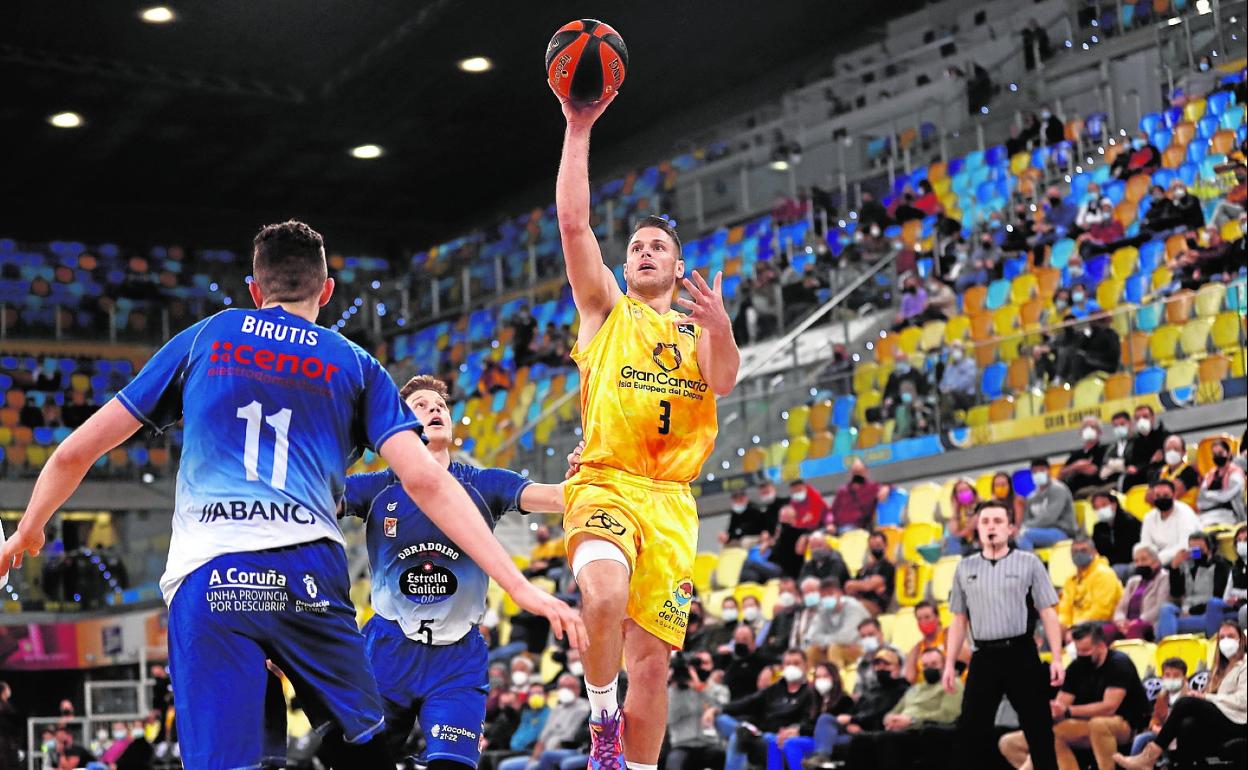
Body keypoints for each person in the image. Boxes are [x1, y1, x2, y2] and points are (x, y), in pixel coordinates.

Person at [0, 221, 581, 770]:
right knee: (366, 750)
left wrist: (30, 528)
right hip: (307, 576)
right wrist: (520, 585)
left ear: (255, 289)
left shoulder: (207, 336)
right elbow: (427, 481)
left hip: (210, 579)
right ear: (326, 291)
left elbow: (74, 452)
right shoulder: (355, 363)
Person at [552, 87, 740, 770]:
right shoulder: (605, 309)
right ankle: (603, 716)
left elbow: (723, 380)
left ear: (679, 265)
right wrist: (579, 127)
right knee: (601, 595)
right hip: (605, 480)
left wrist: (721, 328)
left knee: (655, 668)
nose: (645, 251)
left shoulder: (699, 331)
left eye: (659, 245)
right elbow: (575, 227)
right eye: (636, 246)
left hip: (671, 500)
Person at [336, 375, 577, 766]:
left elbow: (558, 497)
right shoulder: (377, 487)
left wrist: (580, 474)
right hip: (386, 652)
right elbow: (312, 502)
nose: (435, 409)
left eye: (441, 406)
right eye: (421, 406)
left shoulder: (485, 483)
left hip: (458, 660)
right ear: (399, 425)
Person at [943, 501, 1066, 770]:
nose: (991, 527)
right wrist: (950, 663)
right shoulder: (965, 568)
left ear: (1010, 528)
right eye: (985, 521)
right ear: (977, 527)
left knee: (1039, 728)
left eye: (998, 521)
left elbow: (1048, 612)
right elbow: (958, 619)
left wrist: (1056, 657)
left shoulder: (1029, 562)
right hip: (983, 655)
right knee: (970, 730)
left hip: (1020, 651)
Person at [1000, 622, 1148, 770]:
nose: (1081, 655)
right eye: (1078, 650)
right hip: (1083, 724)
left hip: (1123, 724)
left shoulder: (1119, 664)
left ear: (1101, 646)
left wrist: (1068, 712)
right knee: (1011, 742)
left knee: (1098, 725)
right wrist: (1053, 710)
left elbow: (1109, 707)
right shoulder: (1077, 666)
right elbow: (1062, 703)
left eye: (1086, 650)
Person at [1114, 621, 1246, 769]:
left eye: (1231, 636)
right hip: (1222, 719)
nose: (1226, 641)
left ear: (1241, 639)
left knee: (1186, 702)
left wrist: (1206, 698)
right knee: (1187, 724)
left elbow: (1243, 701)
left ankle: (1149, 757)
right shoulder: (1219, 669)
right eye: (1222, 637)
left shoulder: (1245, 665)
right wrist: (1203, 695)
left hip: (1239, 720)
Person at [848, 647, 963, 770]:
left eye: (934, 664)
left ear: (944, 665)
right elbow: (894, 711)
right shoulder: (915, 688)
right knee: (860, 740)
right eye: (925, 665)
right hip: (899, 729)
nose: (929, 668)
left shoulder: (952, 683)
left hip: (922, 731)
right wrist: (890, 719)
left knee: (886, 739)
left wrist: (913, 720)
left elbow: (949, 714)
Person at [711, 649, 816, 770]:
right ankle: (747, 731)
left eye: (796, 663)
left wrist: (795, 729)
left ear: (806, 666)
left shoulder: (810, 693)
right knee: (722, 720)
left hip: (780, 736)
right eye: (788, 664)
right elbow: (746, 703)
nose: (792, 667)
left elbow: (809, 720)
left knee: (740, 737)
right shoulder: (774, 689)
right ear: (782, 667)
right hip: (759, 731)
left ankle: (746, 732)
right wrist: (717, 709)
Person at [497, 675, 590, 770]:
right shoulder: (556, 709)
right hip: (544, 752)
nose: (565, 690)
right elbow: (542, 737)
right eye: (562, 687)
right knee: (506, 766)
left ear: (578, 689)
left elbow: (570, 737)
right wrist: (535, 756)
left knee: (537, 764)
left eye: (570, 687)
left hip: (568, 750)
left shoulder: (584, 708)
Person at [773, 662, 854, 770]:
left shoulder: (845, 700)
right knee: (777, 741)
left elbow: (829, 728)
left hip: (831, 740)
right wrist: (793, 730)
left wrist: (799, 731)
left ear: (834, 678)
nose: (821, 680)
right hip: (814, 738)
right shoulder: (815, 700)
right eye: (818, 677)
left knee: (792, 744)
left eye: (825, 676)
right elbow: (809, 722)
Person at [1158, 531, 1233, 639]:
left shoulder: (1220, 565)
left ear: (1209, 548)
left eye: (1200, 549)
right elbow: (1176, 593)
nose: (1196, 552)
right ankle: (1169, 646)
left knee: (1166, 625)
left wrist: (1191, 611)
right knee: (1166, 609)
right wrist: (1174, 568)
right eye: (1192, 549)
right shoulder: (1186, 565)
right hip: (1185, 609)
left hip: (1206, 611)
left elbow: (1218, 596)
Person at [1056, 536, 1123, 635]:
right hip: (1075, 627)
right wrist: (1064, 626)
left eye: (1083, 550)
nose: (1078, 554)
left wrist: (1074, 629)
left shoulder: (1104, 574)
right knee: (1051, 632)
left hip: (1099, 625)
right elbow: (1065, 610)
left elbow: (1101, 612)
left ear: (1094, 552)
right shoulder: (1070, 580)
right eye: (1075, 551)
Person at [1128, 657, 1190, 758]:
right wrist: (1154, 727)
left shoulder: (1190, 697)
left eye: (1176, 675)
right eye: (1167, 675)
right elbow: (1155, 718)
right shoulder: (1162, 696)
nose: (1171, 678)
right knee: (1140, 739)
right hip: (1161, 733)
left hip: (1180, 736)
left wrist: (1167, 732)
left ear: (1184, 678)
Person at [1017, 457, 1079, 551]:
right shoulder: (1031, 496)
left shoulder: (1058, 489)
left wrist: (1025, 527)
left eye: (1041, 470)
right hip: (1040, 531)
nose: (1038, 474)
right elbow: (1027, 518)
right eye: (1035, 472)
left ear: (1049, 471)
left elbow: (1049, 518)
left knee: (1024, 535)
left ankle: (1032, 565)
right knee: (1015, 537)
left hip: (1062, 532)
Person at [1111, 544, 1169, 641]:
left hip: (1149, 623)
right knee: (1106, 631)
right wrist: (1120, 621)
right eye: (1136, 561)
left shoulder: (1164, 577)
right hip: (1128, 624)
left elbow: (1160, 607)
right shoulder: (1132, 582)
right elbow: (1120, 608)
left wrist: (1138, 621)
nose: (1140, 564)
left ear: (1155, 561)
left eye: (1144, 559)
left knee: (1135, 629)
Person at [903, 600, 969, 684]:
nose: (923, 622)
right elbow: (909, 680)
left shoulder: (951, 636)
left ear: (937, 617)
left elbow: (964, 663)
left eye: (927, 617)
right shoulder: (916, 649)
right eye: (919, 619)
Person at [1139, 479, 1202, 565]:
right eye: (1158, 496)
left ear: (1174, 495)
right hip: (1156, 562)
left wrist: (1158, 559)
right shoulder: (1149, 517)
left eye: (1165, 495)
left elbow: (1185, 546)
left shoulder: (1185, 513)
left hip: (1190, 557)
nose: (1161, 498)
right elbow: (1145, 545)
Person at [1089, 490, 1141, 580]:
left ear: (1114, 504)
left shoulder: (1130, 522)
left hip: (1130, 563)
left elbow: (1129, 551)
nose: (1100, 510)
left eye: (1104, 505)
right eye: (1096, 508)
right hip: (1108, 566)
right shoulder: (1098, 528)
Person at [828, 459, 888, 533]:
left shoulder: (873, 487)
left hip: (858, 529)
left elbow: (891, 490)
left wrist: (886, 488)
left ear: (866, 472)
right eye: (855, 472)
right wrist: (830, 523)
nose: (857, 475)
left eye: (859, 472)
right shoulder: (842, 491)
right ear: (851, 474)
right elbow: (831, 512)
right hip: (837, 529)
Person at [843, 530, 895, 615]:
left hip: (877, 605)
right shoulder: (865, 569)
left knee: (854, 607)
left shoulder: (888, 567)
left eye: (878, 545)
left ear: (885, 546)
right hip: (860, 600)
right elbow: (849, 588)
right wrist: (860, 586)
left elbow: (868, 586)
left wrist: (859, 585)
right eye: (872, 546)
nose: (875, 549)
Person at [1197, 439, 1246, 525]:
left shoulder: (1236, 472)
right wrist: (1218, 496)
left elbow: (1226, 496)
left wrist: (1210, 495)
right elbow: (1200, 500)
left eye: (1220, 453)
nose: (1217, 456)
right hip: (1207, 514)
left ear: (1228, 453)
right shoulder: (1210, 474)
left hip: (1231, 514)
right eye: (1214, 454)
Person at [1122, 405, 1170, 490]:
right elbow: (1131, 462)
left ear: (1153, 417)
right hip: (1139, 475)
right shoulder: (1134, 441)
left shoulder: (1164, 436)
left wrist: (1145, 465)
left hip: (1158, 474)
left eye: (1145, 416)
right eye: (1138, 418)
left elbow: (1162, 460)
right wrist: (1131, 467)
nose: (1142, 420)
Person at [1060, 418, 1108, 499]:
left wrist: (1073, 469)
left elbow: (1093, 470)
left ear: (1100, 432)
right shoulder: (1076, 454)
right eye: (1085, 427)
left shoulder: (1103, 450)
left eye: (1092, 427)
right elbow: (1061, 474)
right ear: (1080, 432)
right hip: (1072, 489)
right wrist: (1077, 466)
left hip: (1093, 488)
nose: (1088, 430)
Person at [1153, 435, 1200, 509]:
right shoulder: (1159, 472)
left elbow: (1171, 494)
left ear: (1184, 452)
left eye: (1176, 449)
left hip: (1187, 515)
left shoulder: (1190, 472)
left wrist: (1157, 494)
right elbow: (1148, 497)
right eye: (1168, 449)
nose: (1171, 452)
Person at [937, 341, 978, 426]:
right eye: (952, 350)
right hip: (950, 396)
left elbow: (968, 381)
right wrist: (943, 389)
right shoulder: (949, 367)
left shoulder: (970, 364)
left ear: (962, 350)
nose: (954, 351)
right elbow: (942, 383)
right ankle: (942, 425)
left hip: (966, 396)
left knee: (948, 397)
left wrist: (951, 388)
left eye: (956, 348)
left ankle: (949, 423)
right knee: (939, 399)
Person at [942, 477, 981, 555]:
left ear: (973, 491)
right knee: (949, 544)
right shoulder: (959, 511)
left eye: (966, 490)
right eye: (960, 491)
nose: (964, 493)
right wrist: (955, 509)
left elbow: (967, 531)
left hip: (980, 545)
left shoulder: (981, 507)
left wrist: (956, 535)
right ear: (956, 496)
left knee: (952, 540)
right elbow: (953, 531)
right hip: (965, 547)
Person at [1227, 525, 1248, 628]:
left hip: (1244, 606)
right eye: (1239, 540)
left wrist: (1236, 593)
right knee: (1213, 604)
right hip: (1238, 603)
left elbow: (1234, 592)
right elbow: (1226, 595)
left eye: (1246, 540)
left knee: (1244, 610)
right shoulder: (1235, 567)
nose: (1242, 544)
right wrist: (1230, 599)